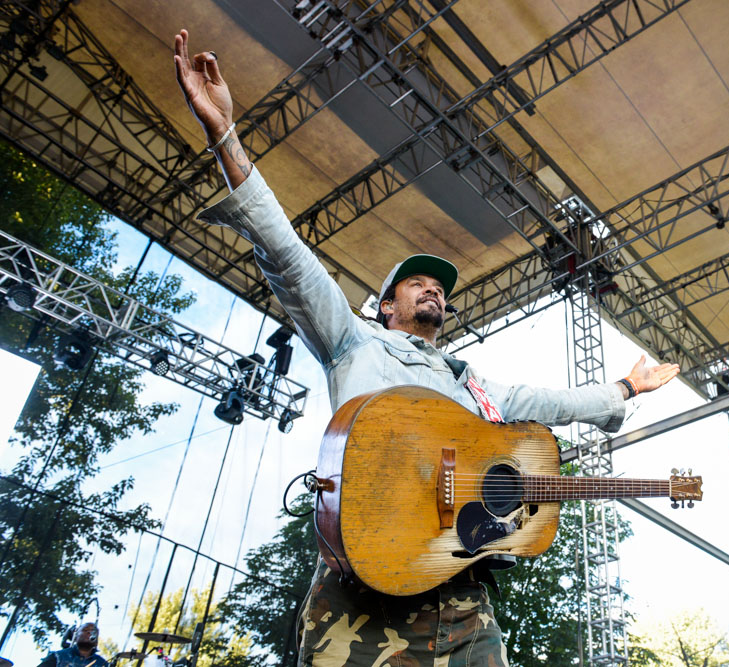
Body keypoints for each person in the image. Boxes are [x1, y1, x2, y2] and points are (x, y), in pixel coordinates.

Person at [173, 29, 681, 666]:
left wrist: (626, 389)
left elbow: (550, 400)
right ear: (386, 304)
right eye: (417, 283)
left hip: (463, 601)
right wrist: (226, 138)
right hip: (362, 598)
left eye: (440, 287)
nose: (433, 290)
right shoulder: (352, 342)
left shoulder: (469, 381)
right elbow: (290, 260)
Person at [37, 623, 107, 667]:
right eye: (85, 630)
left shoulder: (103, 664)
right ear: (75, 637)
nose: (89, 632)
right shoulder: (58, 657)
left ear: (96, 641)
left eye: (94, 632)